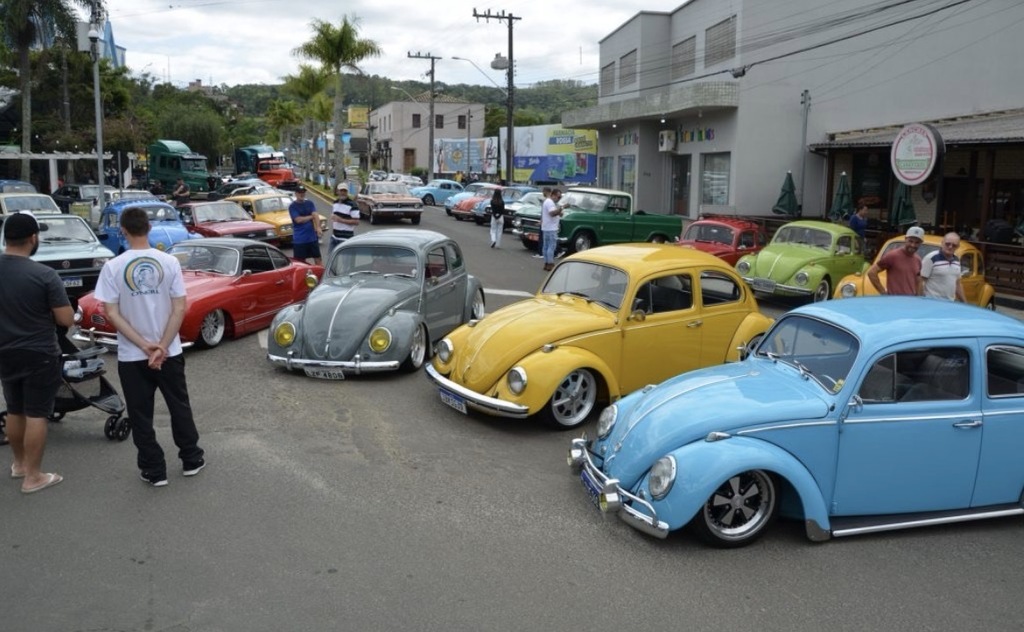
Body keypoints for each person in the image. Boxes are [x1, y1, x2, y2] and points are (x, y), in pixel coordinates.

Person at [94, 208, 205, 487]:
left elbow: (112, 313)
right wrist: (162, 347)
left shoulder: (113, 266)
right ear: (149, 228)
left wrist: (145, 346)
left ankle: (155, 471)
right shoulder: (169, 262)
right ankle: (191, 459)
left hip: (133, 355)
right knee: (179, 406)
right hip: (171, 352)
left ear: (123, 231)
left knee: (140, 413)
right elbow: (179, 308)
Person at [0, 212, 74, 492]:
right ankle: (34, 476)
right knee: (36, 414)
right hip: (39, 353)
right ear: (33, 239)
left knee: (15, 409)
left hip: (4, 352)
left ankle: (19, 464)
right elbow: (66, 319)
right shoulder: (44, 275)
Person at [867, 226, 924, 296]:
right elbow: (871, 272)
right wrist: (883, 292)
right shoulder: (892, 256)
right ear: (905, 239)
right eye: (910, 241)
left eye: (917, 242)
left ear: (921, 243)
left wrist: (918, 299)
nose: (913, 245)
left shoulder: (918, 260)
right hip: (894, 302)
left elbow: (919, 281)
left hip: (910, 302)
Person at [919, 232, 966, 302]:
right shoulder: (931, 258)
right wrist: (922, 300)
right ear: (942, 243)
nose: (950, 247)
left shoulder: (957, 260)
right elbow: (920, 281)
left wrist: (965, 302)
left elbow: (957, 283)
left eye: (954, 245)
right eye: (947, 244)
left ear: (958, 247)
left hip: (949, 304)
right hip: (931, 302)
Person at [289, 186, 323, 265]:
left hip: (312, 238)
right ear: (296, 194)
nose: (302, 194)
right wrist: (311, 216)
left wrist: (318, 227)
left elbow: (316, 214)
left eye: (303, 192)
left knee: (318, 259)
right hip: (300, 240)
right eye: (300, 192)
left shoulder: (310, 203)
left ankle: (321, 275)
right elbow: (298, 220)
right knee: (300, 263)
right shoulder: (292, 206)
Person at [329, 183, 360, 252]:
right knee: (331, 261)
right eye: (341, 191)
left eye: (344, 191)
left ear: (347, 192)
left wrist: (340, 220)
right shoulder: (335, 203)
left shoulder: (352, 205)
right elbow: (335, 219)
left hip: (346, 240)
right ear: (337, 191)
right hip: (334, 238)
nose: (343, 193)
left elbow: (356, 222)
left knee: (347, 262)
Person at [541, 188, 564, 271]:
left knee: (546, 246)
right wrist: (562, 208)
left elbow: (554, 213)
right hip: (551, 228)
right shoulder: (550, 202)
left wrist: (559, 211)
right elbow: (552, 213)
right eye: (558, 197)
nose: (559, 198)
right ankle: (550, 263)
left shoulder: (548, 202)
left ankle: (546, 263)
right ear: (553, 195)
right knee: (551, 246)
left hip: (546, 227)